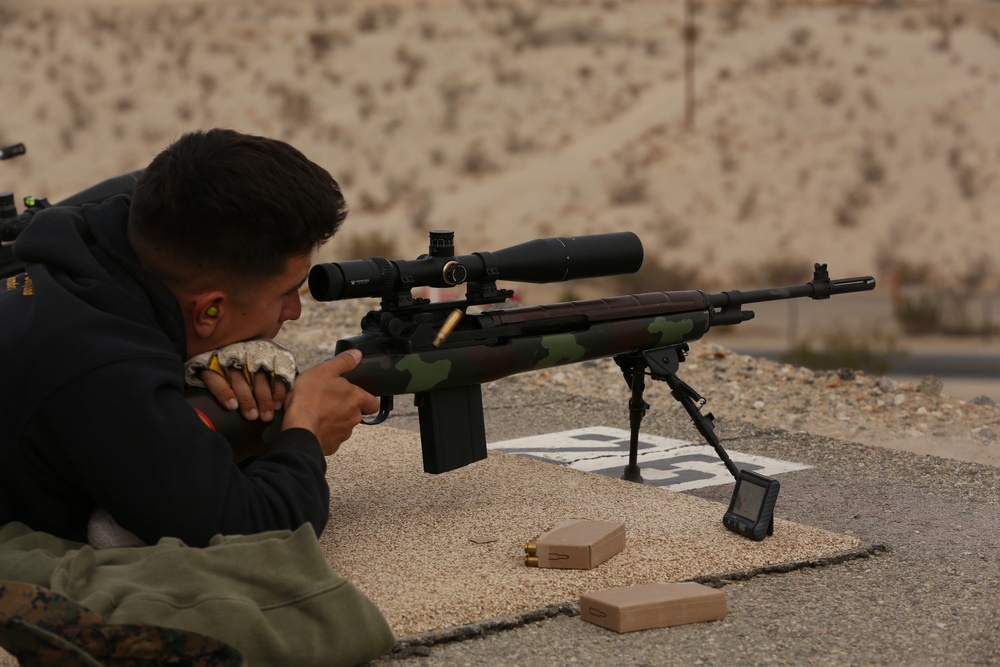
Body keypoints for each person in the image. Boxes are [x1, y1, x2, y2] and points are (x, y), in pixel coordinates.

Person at [0, 129, 395, 665]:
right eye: (286, 294)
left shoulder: (103, 241)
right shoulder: (103, 370)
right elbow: (246, 531)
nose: (294, 314)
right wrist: (304, 433)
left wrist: (203, 361)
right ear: (209, 310)